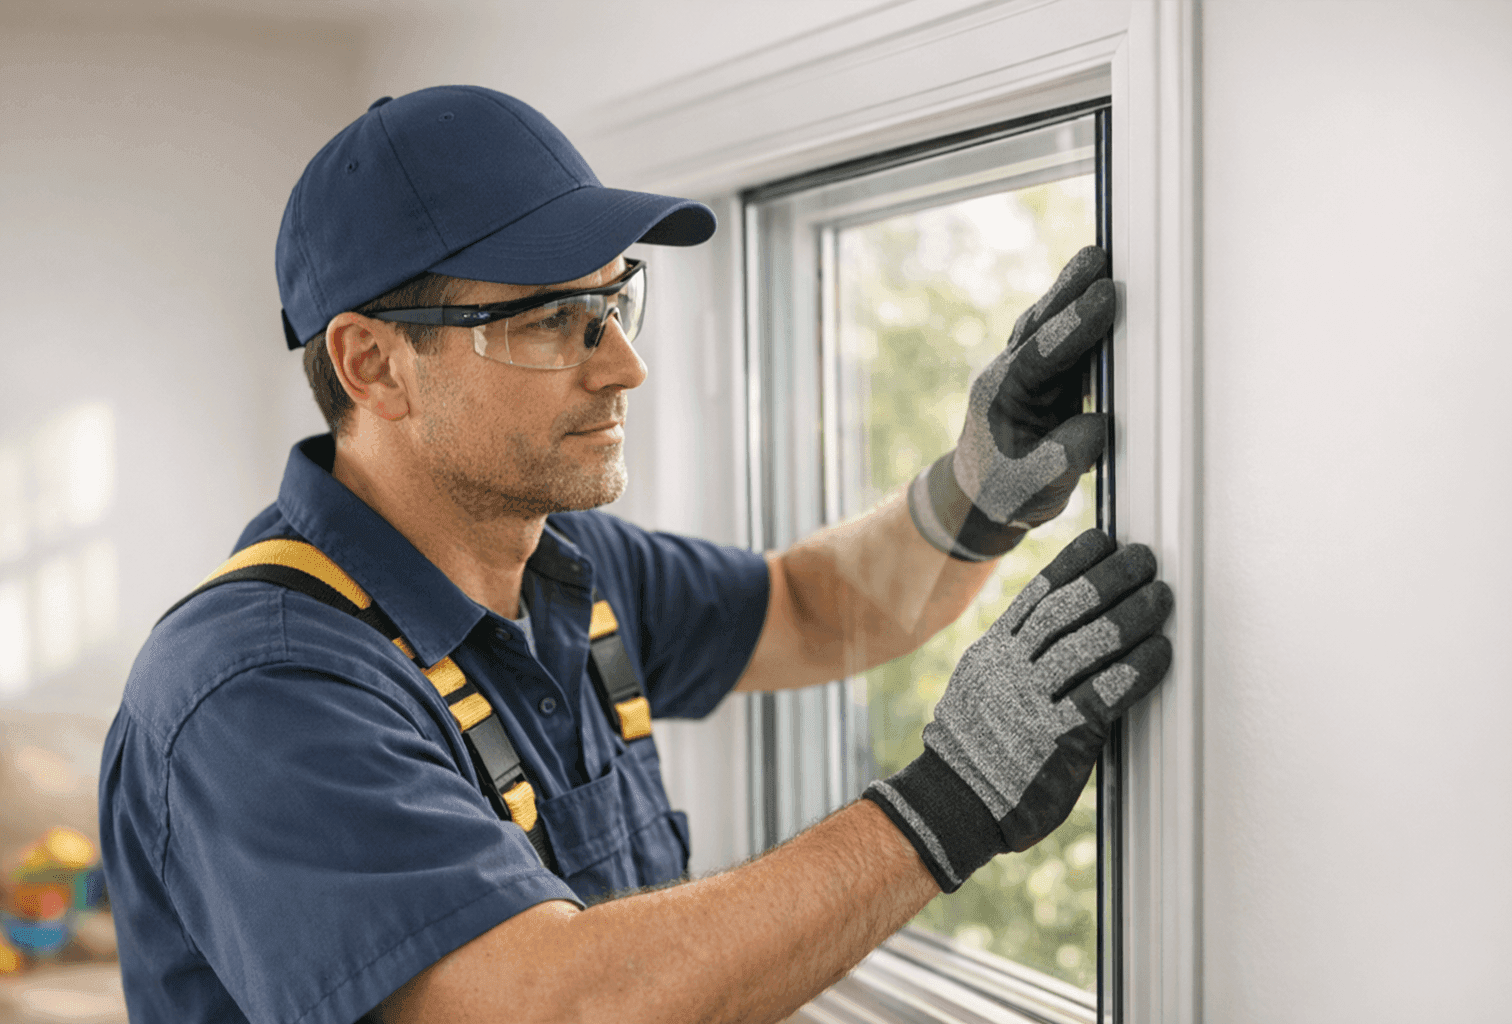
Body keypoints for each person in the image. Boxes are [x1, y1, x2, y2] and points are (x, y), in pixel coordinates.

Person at [98, 85, 1172, 1024]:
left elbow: (804, 608)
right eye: (550, 319)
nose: (625, 365)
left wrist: (976, 491)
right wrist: (949, 800)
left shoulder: (567, 564)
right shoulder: (257, 692)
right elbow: (553, 1005)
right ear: (373, 364)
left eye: (613, 301)